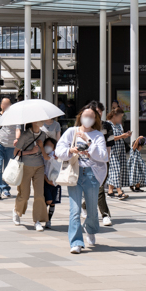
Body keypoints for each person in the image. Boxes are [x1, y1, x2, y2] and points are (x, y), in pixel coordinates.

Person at [54, 105, 110, 254]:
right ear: (80, 116)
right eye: (86, 115)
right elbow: (58, 150)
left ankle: (90, 229)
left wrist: (88, 142)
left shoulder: (98, 135)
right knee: (75, 210)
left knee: (91, 209)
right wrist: (70, 150)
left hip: (92, 174)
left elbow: (103, 156)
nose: (88, 118)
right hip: (75, 173)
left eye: (92, 116)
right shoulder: (71, 132)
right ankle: (76, 242)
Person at [11, 115, 55, 230]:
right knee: (24, 195)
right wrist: (31, 151)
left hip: (39, 167)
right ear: (34, 122)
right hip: (26, 166)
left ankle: (38, 220)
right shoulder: (25, 135)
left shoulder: (44, 135)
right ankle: (17, 210)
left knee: (39, 195)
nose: (42, 122)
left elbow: (45, 152)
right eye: (40, 120)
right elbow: (16, 153)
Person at [0, 98, 19, 200]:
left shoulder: (15, 117)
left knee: (7, 169)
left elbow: (18, 129)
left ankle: (6, 189)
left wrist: (17, 138)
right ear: (1, 105)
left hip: (10, 146)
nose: (6, 106)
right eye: (4, 104)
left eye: (8, 104)